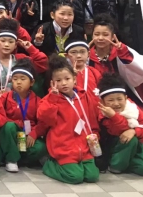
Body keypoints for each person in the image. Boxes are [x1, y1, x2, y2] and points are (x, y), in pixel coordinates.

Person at [38, 55, 100, 184]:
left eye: (67, 79)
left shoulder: (83, 96)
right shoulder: (49, 99)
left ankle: (78, 165)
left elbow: (91, 118)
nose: (64, 83)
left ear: (74, 79)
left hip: (84, 146)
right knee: (75, 177)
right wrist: (53, 99)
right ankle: (49, 164)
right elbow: (45, 118)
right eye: (58, 80)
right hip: (64, 148)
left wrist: (95, 133)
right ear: (52, 82)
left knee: (92, 176)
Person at [96, 73, 143, 176]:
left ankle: (125, 163)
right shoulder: (103, 113)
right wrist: (114, 116)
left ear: (126, 98)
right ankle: (115, 165)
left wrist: (134, 131)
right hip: (113, 145)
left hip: (136, 144)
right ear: (103, 101)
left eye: (120, 99)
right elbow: (117, 131)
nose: (116, 103)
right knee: (131, 140)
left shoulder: (133, 109)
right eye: (110, 100)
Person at [0, 59, 48, 172]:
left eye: (23, 79)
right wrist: (16, 123)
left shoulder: (38, 101)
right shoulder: (5, 98)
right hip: (10, 134)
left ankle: (20, 159)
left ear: (32, 82)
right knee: (9, 126)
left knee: (41, 147)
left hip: (26, 135)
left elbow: (42, 122)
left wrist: (34, 133)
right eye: (15, 79)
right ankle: (11, 160)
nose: (18, 82)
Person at [88, 14, 143, 101]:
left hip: (121, 97)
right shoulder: (86, 55)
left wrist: (123, 53)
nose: (100, 38)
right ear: (92, 36)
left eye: (105, 34)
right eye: (96, 34)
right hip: (93, 98)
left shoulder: (121, 50)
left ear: (113, 37)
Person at [0, 19, 48, 97]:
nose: (6, 45)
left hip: (17, 100)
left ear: (15, 45)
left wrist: (30, 48)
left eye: (11, 42)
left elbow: (43, 63)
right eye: (3, 41)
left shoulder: (21, 60)